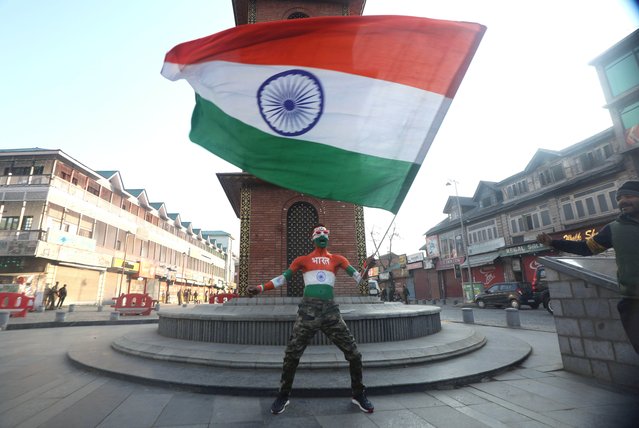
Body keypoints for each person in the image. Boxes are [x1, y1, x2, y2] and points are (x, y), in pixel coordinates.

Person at [248, 225, 375, 415]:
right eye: (318, 233)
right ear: (312, 238)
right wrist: (260, 288)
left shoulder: (338, 259)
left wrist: (367, 267)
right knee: (292, 355)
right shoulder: (302, 260)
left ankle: (358, 394)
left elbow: (360, 279)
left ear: (328, 237)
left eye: (325, 233)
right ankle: (283, 395)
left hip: (331, 311)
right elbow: (283, 278)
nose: (322, 235)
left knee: (354, 354)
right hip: (308, 311)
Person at [536, 180, 639, 353]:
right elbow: (586, 248)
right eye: (619, 198)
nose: (623, 201)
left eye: (629, 196)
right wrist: (554, 243)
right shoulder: (614, 229)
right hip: (634, 303)